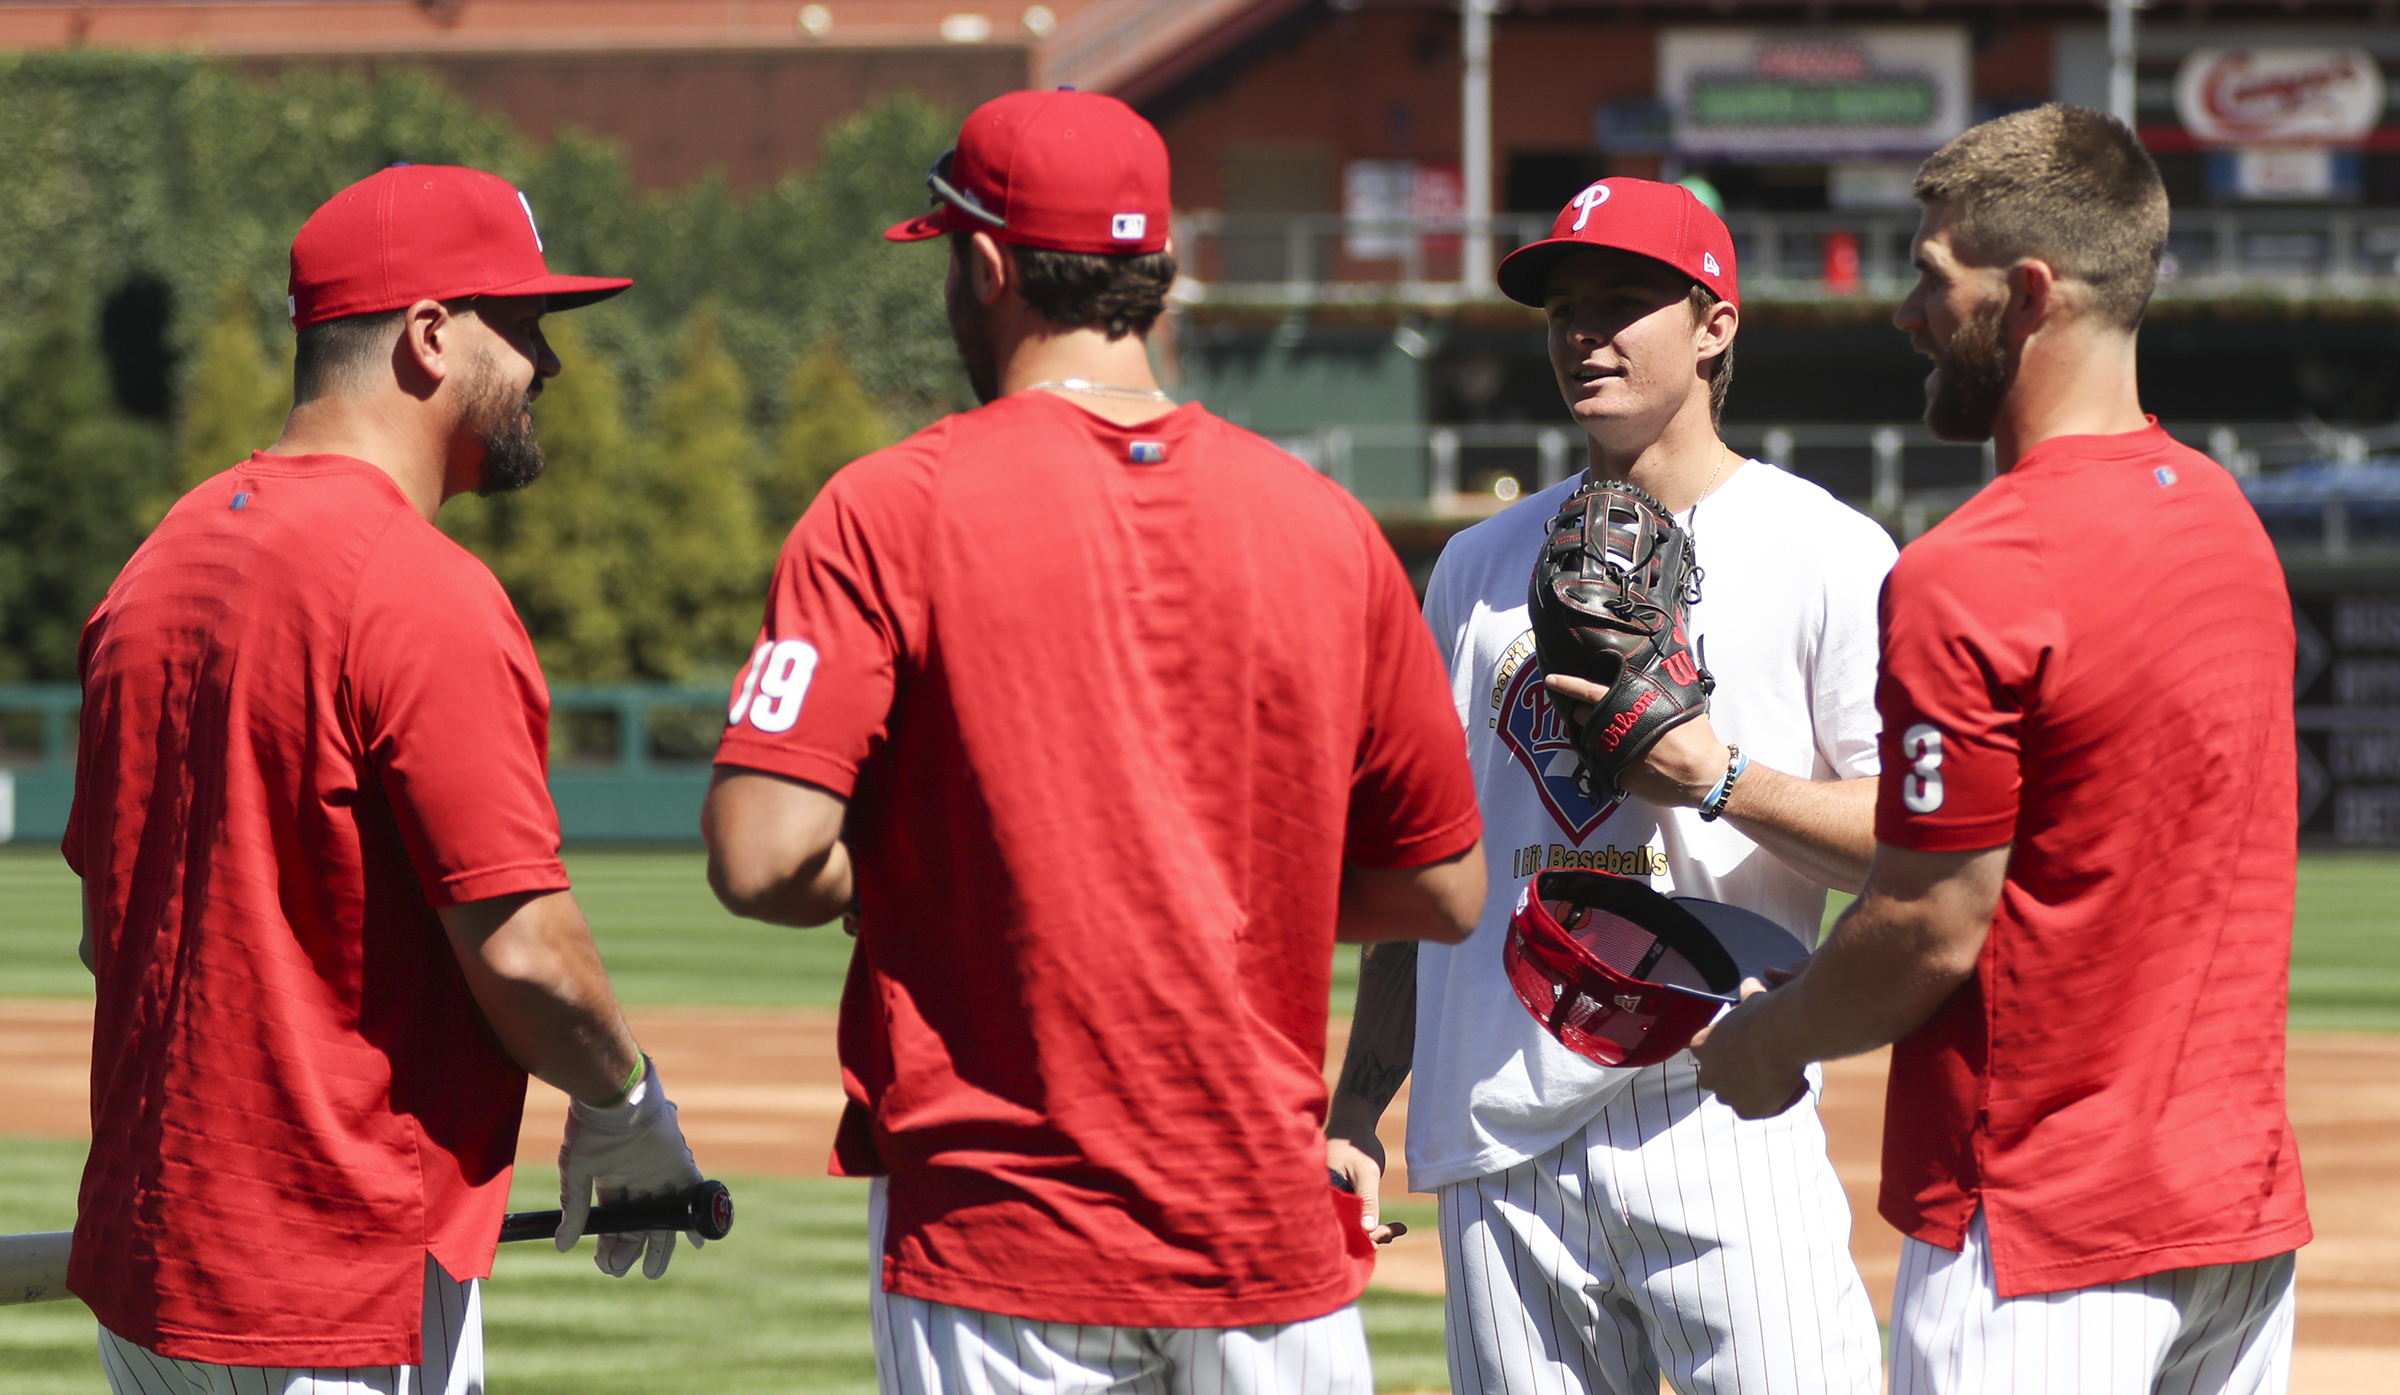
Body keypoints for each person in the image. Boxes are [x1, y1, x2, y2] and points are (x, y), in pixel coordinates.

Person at [702, 88, 1485, 1394]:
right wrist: (1228, 902)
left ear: (993, 266)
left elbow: (763, 851)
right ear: (1153, 273)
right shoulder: (1326, 522)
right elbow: (1445, 888)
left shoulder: (891, 507)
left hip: (1004, 1230)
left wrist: (947, 878)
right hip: (1266, 1232)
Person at [1692, 104, 2311, 1395]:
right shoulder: (2226, 518)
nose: (1909, 313)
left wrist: (1770, 1040)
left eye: (1933, 279)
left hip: (2044, 1230)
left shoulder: (1973, 569)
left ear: (2029, 294)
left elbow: (1928, 923)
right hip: (2239, 1221)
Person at [64, 164, 704, 1395]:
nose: (546, 368)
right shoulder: (417, 585)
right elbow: (522, 949)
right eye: (520, 329)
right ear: (427, 338)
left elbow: (113, 941)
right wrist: (625, 1103)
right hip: (342, 1289)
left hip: (155, 1277)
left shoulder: (156, 566)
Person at [1324, 178, 1892, 1395]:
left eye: (1626, 302)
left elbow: (1911, 848)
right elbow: (1428, 868)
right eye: (1566, 309)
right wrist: (1358, 1105)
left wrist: (1719, 776)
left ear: (1715, 323)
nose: (1586, 334)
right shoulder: (1475, 567)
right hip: (1494, 1126)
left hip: (1720, 1102)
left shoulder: (1827, 550)